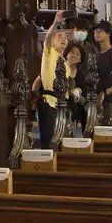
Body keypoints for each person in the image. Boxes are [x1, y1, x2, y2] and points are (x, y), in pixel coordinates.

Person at [30, 19, 72, 148]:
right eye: (59, 36)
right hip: (49, 100)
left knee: (62, 139)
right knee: (49, 138)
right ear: (53, 42)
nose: (63, 39)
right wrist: (55, 22)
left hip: (63, 103)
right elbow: (47, 37)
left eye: (65, 37)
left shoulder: (66, 63)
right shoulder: (49, 53)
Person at [92, 21, 112, 121]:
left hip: (109, 100)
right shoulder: (96, 54)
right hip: (95, 99)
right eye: (95, 31)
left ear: (108, 34)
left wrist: (105, 92)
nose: (97, 33)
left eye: (100, 31)